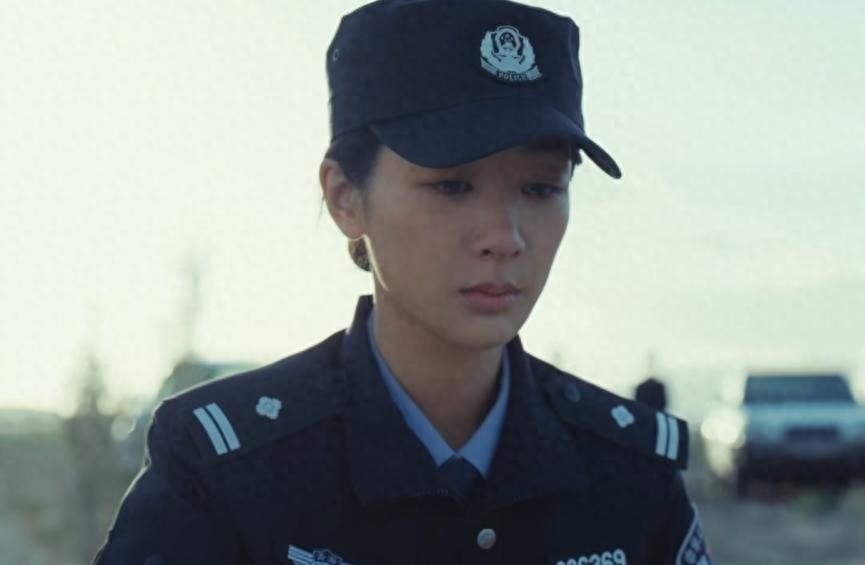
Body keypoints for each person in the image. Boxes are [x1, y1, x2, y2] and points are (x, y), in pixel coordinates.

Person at [93, 1, 712, 563]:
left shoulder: (630, 472)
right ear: (345, 198)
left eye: (541, 188)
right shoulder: (227, 469)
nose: (504, 236)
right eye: (452, 185)